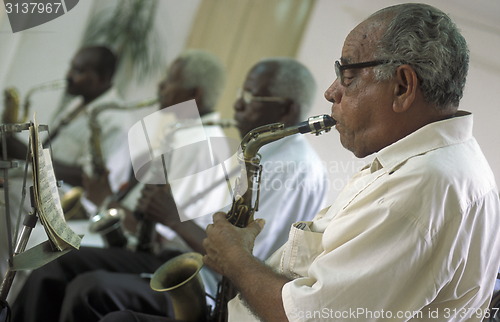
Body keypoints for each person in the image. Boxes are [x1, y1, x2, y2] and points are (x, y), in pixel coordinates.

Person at [201, 4, 500, 322]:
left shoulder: (418, 188)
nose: (331, 93)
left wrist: (235, 259)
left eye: (347, 75)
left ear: (402, 86)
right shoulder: (437, 165)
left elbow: (305, 318)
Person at [10, 49, 228, 322]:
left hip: (164, 257)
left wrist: (104, 200)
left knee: (51, 256)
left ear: (193, 93)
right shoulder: (185, 134)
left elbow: (156, 235)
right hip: (139, 241)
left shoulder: (199, 146)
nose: (160, 86)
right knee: (46, 248)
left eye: (170, 80)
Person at [0, 45, 132, 301]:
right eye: (73, 67)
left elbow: (89, 178)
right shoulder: (78, 104)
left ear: (101, 78)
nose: (70, 74)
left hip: (66, 202)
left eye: (79, 70)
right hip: (38, 187)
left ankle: (9, 299)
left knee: (7, 202)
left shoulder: (116, 120)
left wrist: (27, 155)